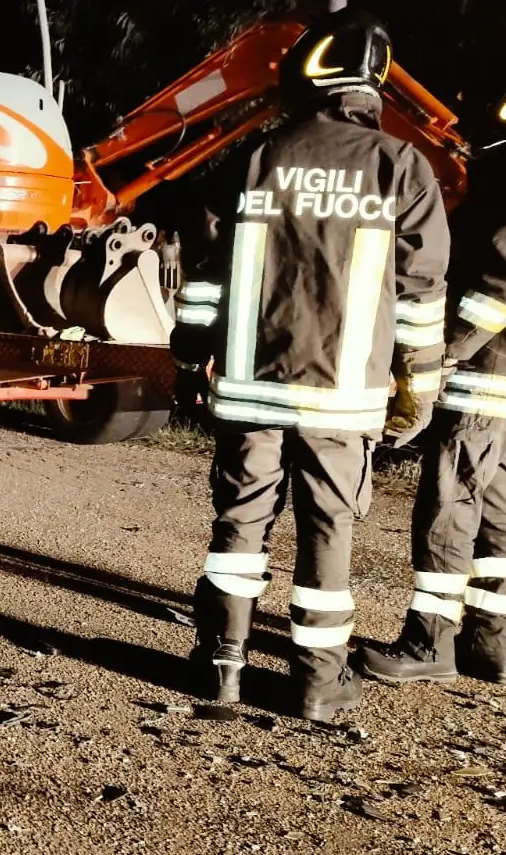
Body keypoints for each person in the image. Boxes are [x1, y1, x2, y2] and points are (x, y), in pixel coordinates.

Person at [171, 11, 450, 722]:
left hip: (250, 383)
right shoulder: (401, 167)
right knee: (329, 529)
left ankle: (219, 664)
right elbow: (422, 295)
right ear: (376, 84)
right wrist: (416, 382)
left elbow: (205, 265)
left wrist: (189, 345)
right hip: (342, 392)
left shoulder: (258, 157)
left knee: (240, 522)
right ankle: (318, 682)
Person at [359, 67, 506, 686]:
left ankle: (430, 641)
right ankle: (490, 643)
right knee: (497, 505)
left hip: (490, 374)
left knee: (450, 501)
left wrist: (451, 344)